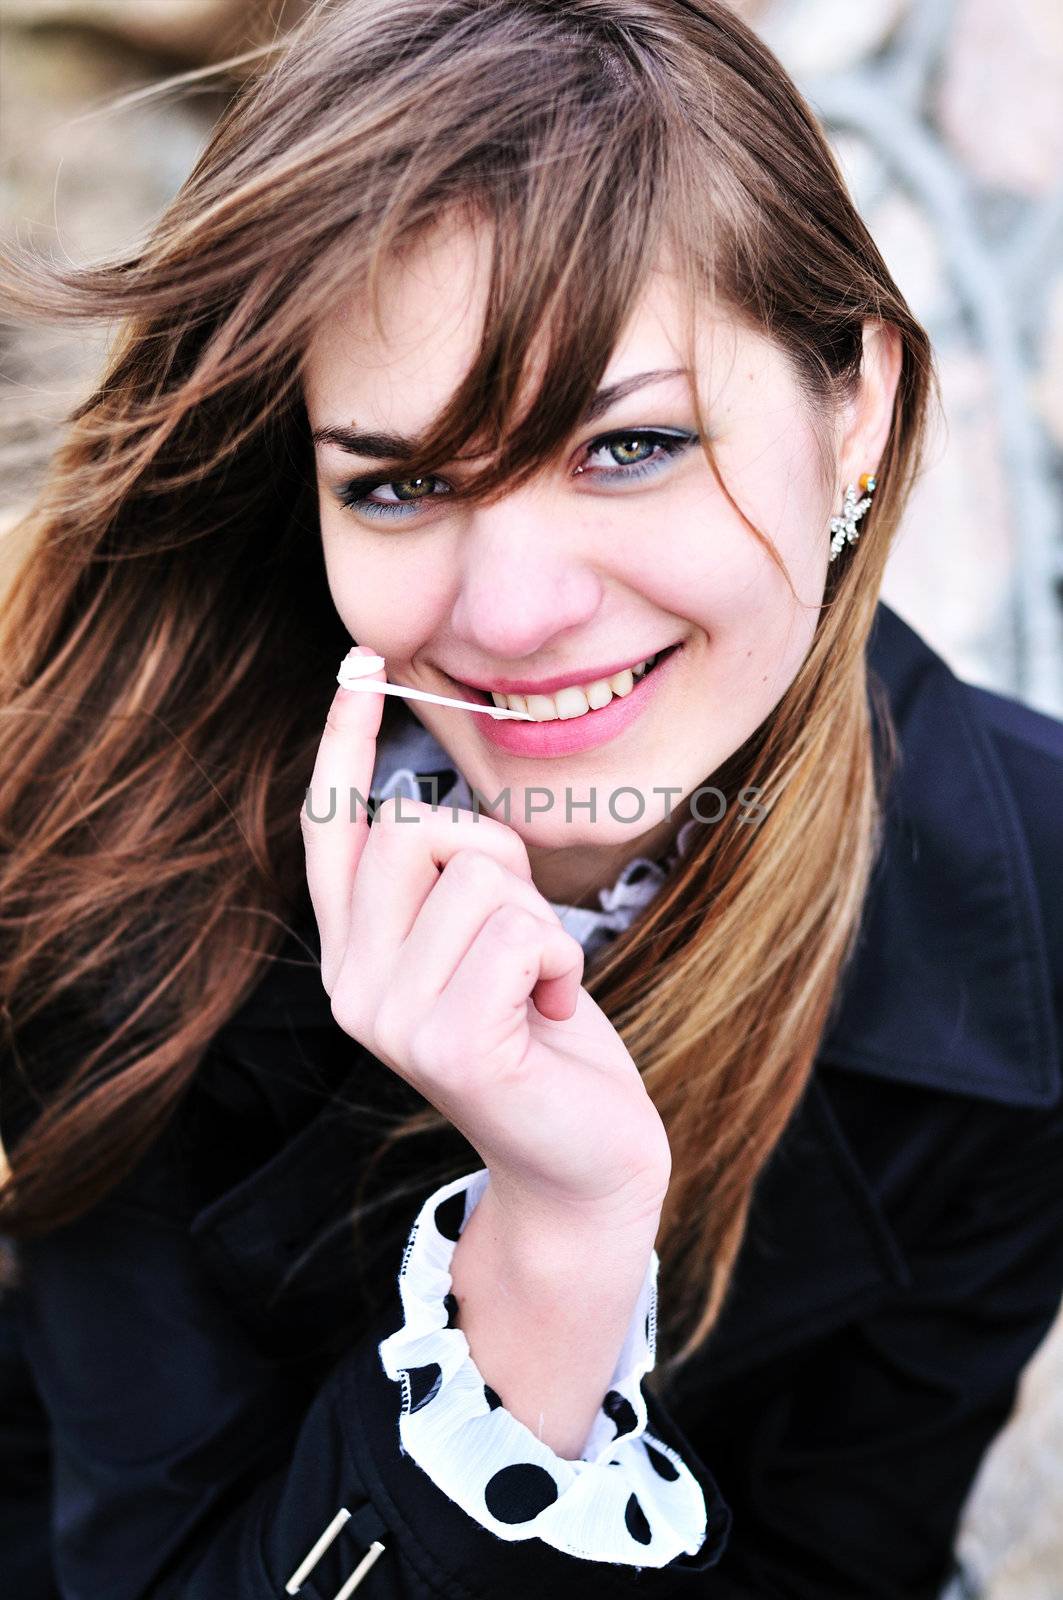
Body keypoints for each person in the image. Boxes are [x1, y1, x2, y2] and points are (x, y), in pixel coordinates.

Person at [1, 2, 1061, 1597]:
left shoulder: (1035, 907)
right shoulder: (123, 853)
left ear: (862, 412)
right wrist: (543, 1275)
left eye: (626, 446)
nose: (506, 613)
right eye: (401, 484)